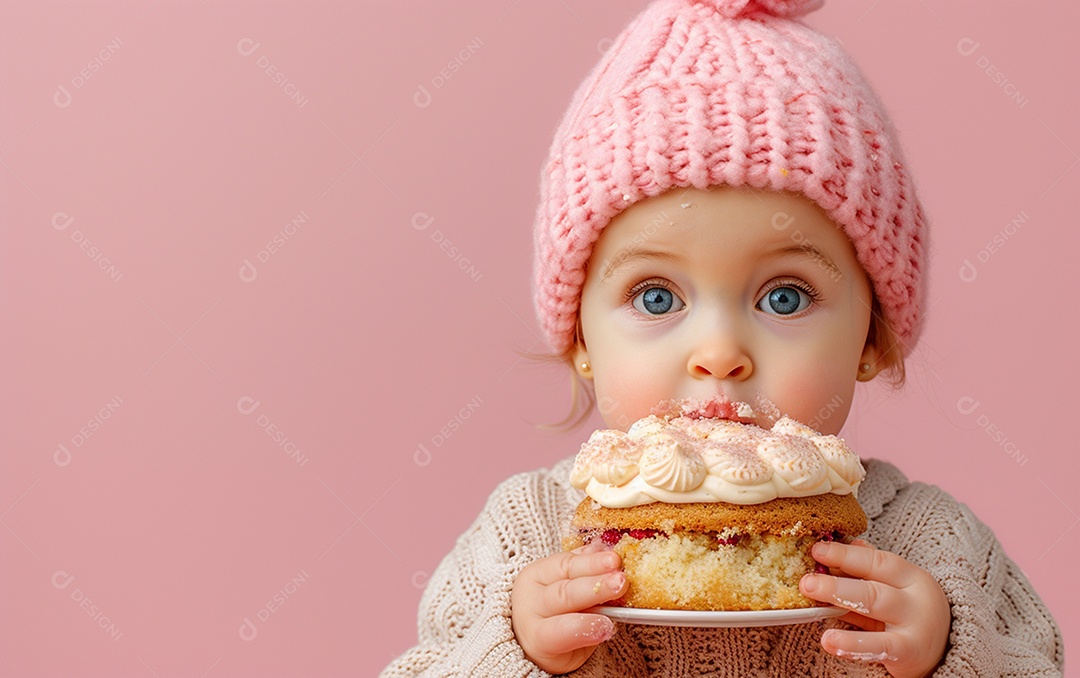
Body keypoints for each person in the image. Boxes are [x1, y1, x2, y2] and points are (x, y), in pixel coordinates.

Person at [382, 0, 1063, 675]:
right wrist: (513, 652)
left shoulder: (931, 549)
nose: (719, 353)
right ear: (580, 340)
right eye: (656, 297)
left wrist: (951, 653)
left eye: (785, 297)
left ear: (871, 340)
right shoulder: (524, 537)